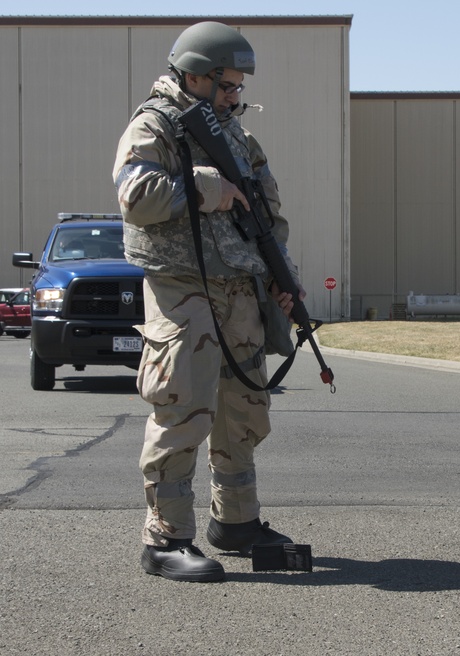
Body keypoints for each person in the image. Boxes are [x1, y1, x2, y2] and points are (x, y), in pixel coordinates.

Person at [113, 21, 303, 582]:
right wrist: (202, 187)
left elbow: (267, 217)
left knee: (243, 409)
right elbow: (135, 195)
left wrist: (279, 276)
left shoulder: (237, 135)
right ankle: (166, 538)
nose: (234, 96)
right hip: (182, 286)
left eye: (238, 88)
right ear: (193, 73)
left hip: (239, 286)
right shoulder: (155, 124)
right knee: (185, 408)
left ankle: (236, 522)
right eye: (226, 85)